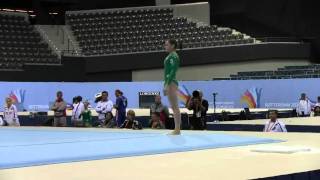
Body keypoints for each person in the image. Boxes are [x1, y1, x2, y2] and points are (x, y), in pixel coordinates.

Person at [163, 39, 181, 135]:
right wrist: (165, 83)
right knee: (173, 106)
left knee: (175, 106)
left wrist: (167, 84)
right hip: (170, 82)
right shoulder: (170, 56)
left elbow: (173, 71)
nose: (165, 46)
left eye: (167, 45)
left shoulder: (173, 56)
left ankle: (177, 129)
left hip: (171, 83)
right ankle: (176, 129)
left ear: (173, 46)